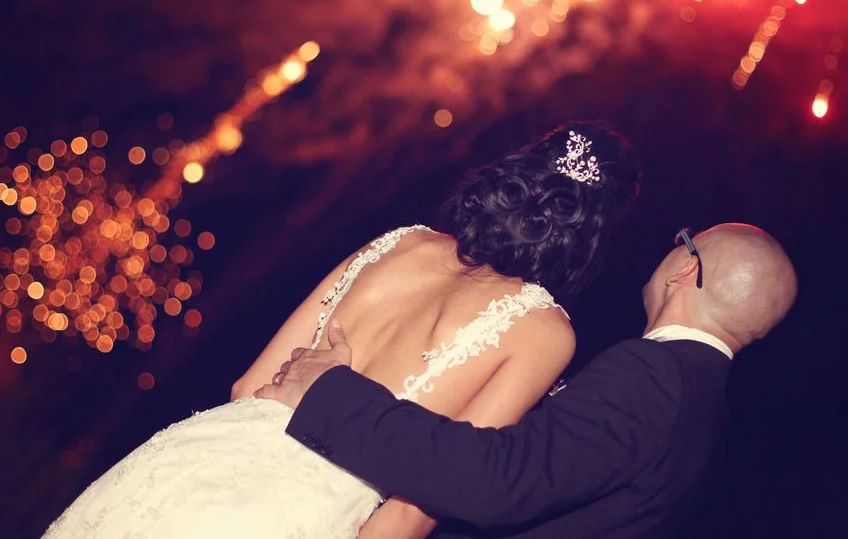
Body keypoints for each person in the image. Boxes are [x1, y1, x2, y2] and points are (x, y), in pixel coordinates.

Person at [42, 121, 641, 539]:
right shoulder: (544, 332)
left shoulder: (398, 241)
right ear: (591, 234)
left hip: (180, 467)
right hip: (287, 514)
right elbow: (417, 509)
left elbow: (250, 385)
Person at [263, 223, 798, 539]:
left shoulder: (655, 377)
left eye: (684, 239)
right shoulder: (705, 412)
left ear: (687, 270)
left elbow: (495, 481)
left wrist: (331, 390)